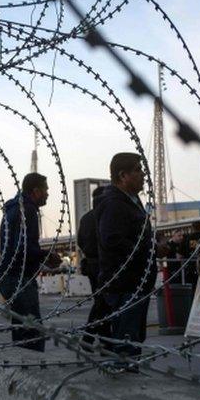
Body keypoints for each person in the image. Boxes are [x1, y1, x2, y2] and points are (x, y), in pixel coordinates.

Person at [96, 153, 158, 361]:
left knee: (133, 339)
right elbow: (113, 241)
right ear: (123, 176)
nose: (142, 175)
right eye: (137, 170)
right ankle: (123, 382)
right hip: (126, 283)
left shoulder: (131, 200)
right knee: (127, 343)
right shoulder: (115, 203)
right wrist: (145, 252)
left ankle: (126, 374)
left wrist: (152, 247)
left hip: (136, 282)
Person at [0, 173, 62, 351]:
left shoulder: (13, 209)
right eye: (46, 189)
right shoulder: (28, 210)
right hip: (20, 278)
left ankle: (22, 365)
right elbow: (23, 247)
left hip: (9, 276)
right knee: (32, 334)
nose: (48, 194)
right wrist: (45, 255)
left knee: (22, 329)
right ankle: (31, 369)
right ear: (36, 191)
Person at [77, 185, 112, 348]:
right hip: (104, 264)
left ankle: (105, 340)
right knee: (102, 304)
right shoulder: (104, 216)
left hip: (91, 264)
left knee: (101, 302)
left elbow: (80, 242)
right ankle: (88, 338)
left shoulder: (85, 218)